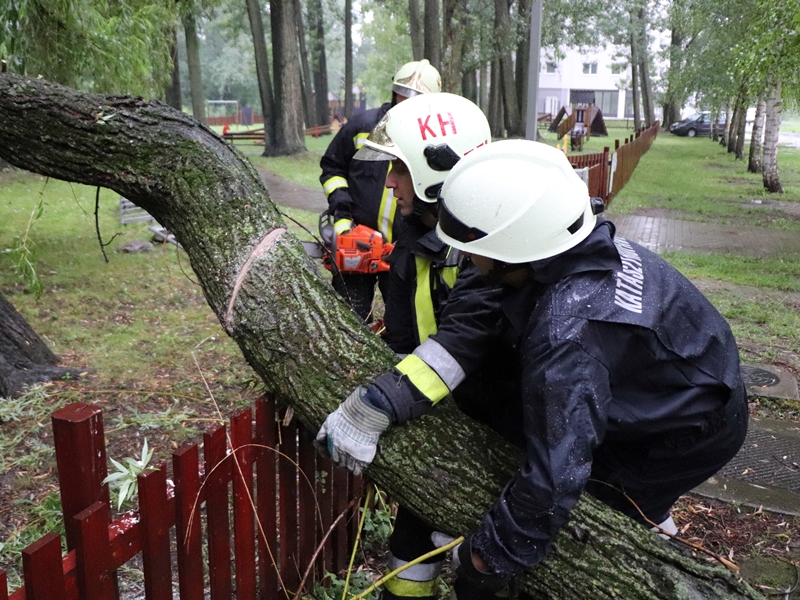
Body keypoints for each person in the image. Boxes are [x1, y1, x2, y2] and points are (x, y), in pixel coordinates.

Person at [319, 139, 749, 596]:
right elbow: (475, 315)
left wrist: (482, 559)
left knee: (585, 523)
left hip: (684, 433)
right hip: (671, 375)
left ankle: (643, 546)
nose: (464, 259)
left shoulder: (567, 335)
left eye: (471, 248)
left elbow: (554, 478)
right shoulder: (561, 249)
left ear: (512, 251)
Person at [320, 92, 504, 600]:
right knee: (408, 555)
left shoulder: (488, 245)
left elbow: (466, 341)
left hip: (504, 442)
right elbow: (404, 341)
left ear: (434, 173)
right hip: (446, 421)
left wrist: (379, 403)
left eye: (399, 169)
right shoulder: (413, 235)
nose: (389, 183)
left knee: (483, 580)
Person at [319, 59, 441, 321]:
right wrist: (343, 216)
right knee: (349, 320)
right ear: (394, 93)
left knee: (402, 321)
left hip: (404, 248)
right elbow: (332, 167)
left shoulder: (433, 139)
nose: (407, 102)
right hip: (356, 240)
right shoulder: (363, 127)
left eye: (417, 98)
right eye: (403, 94)